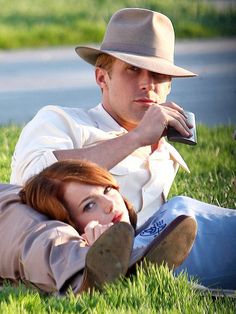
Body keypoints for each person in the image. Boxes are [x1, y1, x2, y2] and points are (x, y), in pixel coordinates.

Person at [6, 7, 236, 290]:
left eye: (158, 74)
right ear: (102, 78)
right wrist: (135, 138)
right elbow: (30, 183)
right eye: (132, 69)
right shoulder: (61, 120)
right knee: (182, 210)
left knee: (187, 215)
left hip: (153, 245)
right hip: (97, 247)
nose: (147, 83)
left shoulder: (163, 150)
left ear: (169, 87)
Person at [0, 160, 197, 294]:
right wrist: (86, 252)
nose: (109, 204)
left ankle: (125, 259)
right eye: (89, 205)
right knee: (41, 238)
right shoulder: (34, 222)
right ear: (71, 223)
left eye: (107, 189)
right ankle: (82, 276)